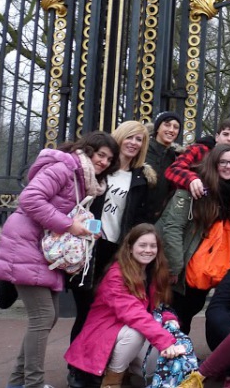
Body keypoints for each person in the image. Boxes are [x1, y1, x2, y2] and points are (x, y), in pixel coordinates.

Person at [0, 131, 119, 388]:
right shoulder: (64, 168)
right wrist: (69, 225)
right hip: (26, 243)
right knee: (43, 317)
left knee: (49, 316)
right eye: (101, 155)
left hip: (42, 247)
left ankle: (17, 381)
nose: (104, 162)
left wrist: (82, 227)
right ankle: (33, 383)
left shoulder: (82, 178)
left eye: (109, 159)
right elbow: (30, 198)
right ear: (88, 150)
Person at [65, 224, 186, 388]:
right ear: (129, 248)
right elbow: (134, 313)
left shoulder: (153, 272)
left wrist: (169, 318)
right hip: (105, 333)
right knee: (135, 333)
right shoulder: (116, 275)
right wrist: (165, 341)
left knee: (154, 362)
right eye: (142, 245)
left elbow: (159, 306)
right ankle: (111, 381)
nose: (148, 250)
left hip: (128, 331)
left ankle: (126, 371)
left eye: (153, 246)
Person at [71, 121, 157, 345]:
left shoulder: (140, 179)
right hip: (90, 246)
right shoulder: (101, 169)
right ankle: (76, 361)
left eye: (139, 139)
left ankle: (98, 358)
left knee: (106, 310)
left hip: (117, 250)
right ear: (120, 137)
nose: (134, 143)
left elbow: (140, 219)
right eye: (130, 137)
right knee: (85, 308)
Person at [158, 144, 230, 333]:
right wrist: (174, 267)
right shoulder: (194, 187)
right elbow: (173, 228)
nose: (228, 166)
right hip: (183, 266)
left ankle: (181, 348)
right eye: (223, 162)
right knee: (175, 316)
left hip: (205, 266)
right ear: (213, 163)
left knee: (190, 310)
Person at [165, 118, 230, 199]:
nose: (229, 139)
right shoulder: (198, 150)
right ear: (217, 137)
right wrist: (191, 179)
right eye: (225, 134)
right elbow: (173, 169)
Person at [145, 110, 182, 222]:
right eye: (167, 125)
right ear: (157, 128)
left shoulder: (177, 157)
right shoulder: (143, 149)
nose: (171, 130)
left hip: (161, 218)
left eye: (176, 127)